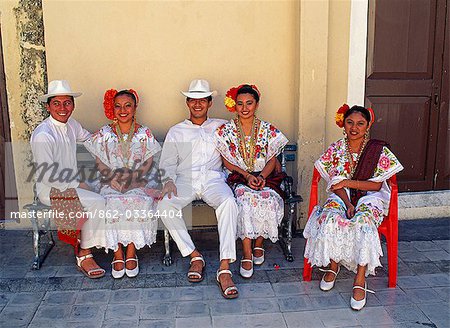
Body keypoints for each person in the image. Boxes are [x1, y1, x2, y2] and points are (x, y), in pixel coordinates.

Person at [303, 104, 403, 310]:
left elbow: (376, 185)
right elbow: (334, 183)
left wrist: (349, 184)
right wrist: (348, 203)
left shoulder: (377, 150)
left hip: (371, 197)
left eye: (360, 124)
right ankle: (333, 265)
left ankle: (360, 279)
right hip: (343, 197)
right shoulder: (337, 149)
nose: (354, 128)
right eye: (350, 122)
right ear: (343, 124)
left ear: (368, 126)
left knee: (363, 223)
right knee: (330, 219)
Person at [157, 79, 239, 299]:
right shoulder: (177, 131)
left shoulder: (221, 126)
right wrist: (168, 181)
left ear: (210, 103)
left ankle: (224, 268)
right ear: (187, 102)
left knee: (229, 202)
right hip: (185, 180)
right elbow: (167, 163)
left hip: (213, 180)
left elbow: (240, 143)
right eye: (193, 100)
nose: (197, 104)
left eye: (202, 100)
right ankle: (194, 256)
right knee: (164, 205)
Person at [30, 80, 106, 278]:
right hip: (51, 189)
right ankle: (84, 254)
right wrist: (80, 184)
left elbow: (89, 139)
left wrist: (110, 138)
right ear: (48, 106)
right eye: (56, 103)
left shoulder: (71, 124)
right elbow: (48, 175)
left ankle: (110, 241)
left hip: (73, 183)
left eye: (67, 103)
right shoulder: (43, 134)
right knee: (98, 202)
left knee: (109, 189)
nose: (62, 108)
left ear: (73, 105)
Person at [84, 89, 161, 279]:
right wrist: (111, 179)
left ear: (135, 108)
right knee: (109, 202)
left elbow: (148, 162)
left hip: (139, 179)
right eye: (118, 106)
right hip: (110, 179)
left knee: (139, 201)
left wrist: (133, 180)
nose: (123, 110)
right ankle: (117, 253)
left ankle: (131, 252)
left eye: (128, 106)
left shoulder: (144, 132)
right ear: (113, 108)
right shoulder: (105, 133)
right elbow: (99, 162)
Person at [214, 84, 288, 279]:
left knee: (268, 200)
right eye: (240, 104)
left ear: (257, 104)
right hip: (239, 176)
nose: (244, 108)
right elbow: (226, 160)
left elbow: (272, 158)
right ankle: (247, 252)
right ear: (234, 105)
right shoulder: (227, 130)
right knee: (245, 201)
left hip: (265, 176)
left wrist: (262, 176)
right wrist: (247, 176)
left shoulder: (267, 129)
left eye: (249, 103)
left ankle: (259, 244)